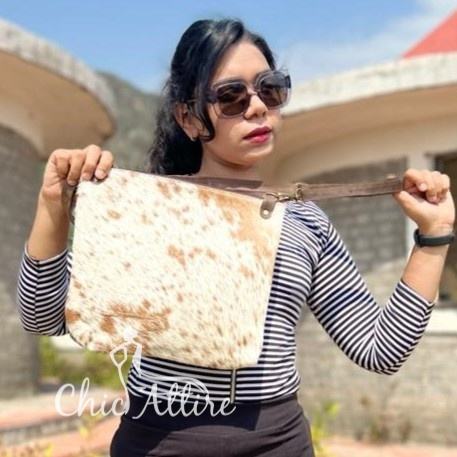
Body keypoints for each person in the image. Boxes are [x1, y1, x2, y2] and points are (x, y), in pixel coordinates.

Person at [16, 17, 455, 457]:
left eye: (270, 89)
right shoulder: (147, 209)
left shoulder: (306, 221)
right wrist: (53, 204)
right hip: (159, 441)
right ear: (188, 118)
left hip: (278, 443)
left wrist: (433, 238)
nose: (258, 107)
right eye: (231, 97)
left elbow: (381, 349)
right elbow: (42, 318)